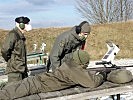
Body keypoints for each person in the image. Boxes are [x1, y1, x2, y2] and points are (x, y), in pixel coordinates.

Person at [0, 50, 104, 100]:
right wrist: (102, 75)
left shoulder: (69, 64)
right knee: (5, 95)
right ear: (83, 63)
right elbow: (92, 83)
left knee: (7, 89)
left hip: (35, 81)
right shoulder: (75, 71)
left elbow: (81, 75)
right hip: (35, 86)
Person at [1, 16, 32, 83]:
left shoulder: (20, 36)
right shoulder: (13, 35)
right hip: (15, 71)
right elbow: (5, 50)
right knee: (13, 91)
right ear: (21, 25)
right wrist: (12, 60)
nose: (29, 26)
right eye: (27, 24)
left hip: (22, 70)